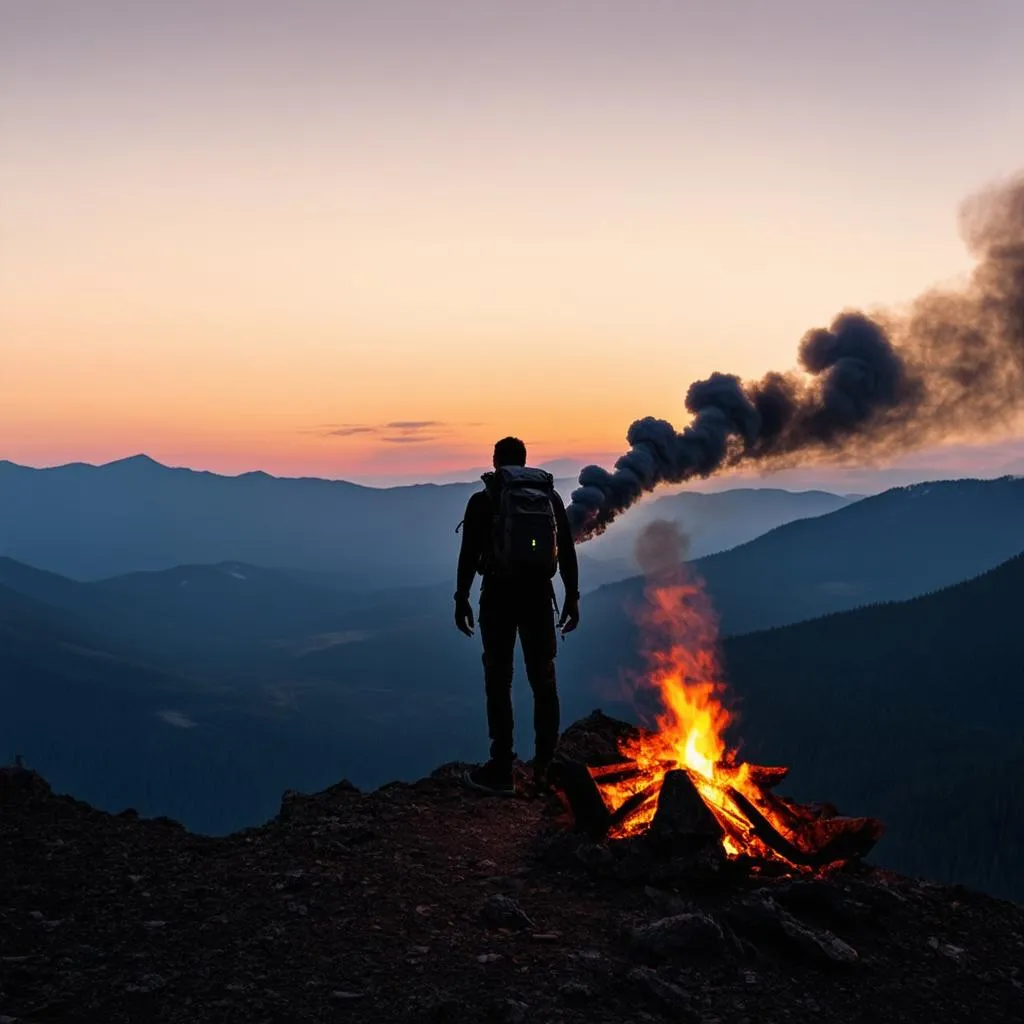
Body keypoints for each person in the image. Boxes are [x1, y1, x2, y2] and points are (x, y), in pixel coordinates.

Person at [454, 436, 580, 796]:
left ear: (496, 462)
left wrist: (461, 597)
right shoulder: (551, 499)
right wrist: (572, 597)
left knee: (499, 679)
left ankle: (501, 769)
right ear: (524, 462)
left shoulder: (484, 500)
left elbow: (468, 554)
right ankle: (545, 770)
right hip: (540, 597)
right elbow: (567, 552)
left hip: (498, 597)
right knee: (544, 681)